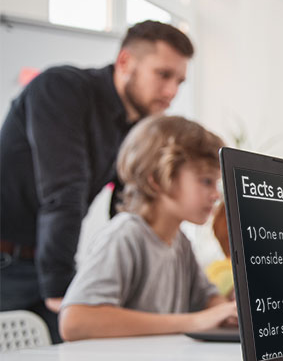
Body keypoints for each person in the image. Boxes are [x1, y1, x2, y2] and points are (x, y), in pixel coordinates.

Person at [0, 21, 194, 343]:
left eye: (179, 81)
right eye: (163, 75)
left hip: (44, 262)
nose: (172, 91)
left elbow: (129, 208)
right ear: (124, 62)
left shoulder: (136, 125)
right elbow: (64, 192)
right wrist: (61, 289)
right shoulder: (61, 88)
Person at [58, 116, 237, 341]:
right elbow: (75, 322)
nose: (216, 195)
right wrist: (195, 320)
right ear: (157, 179)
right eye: (206, 181)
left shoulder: (180, 242)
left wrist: (226, 312)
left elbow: (207, 298)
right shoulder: (125, 235)